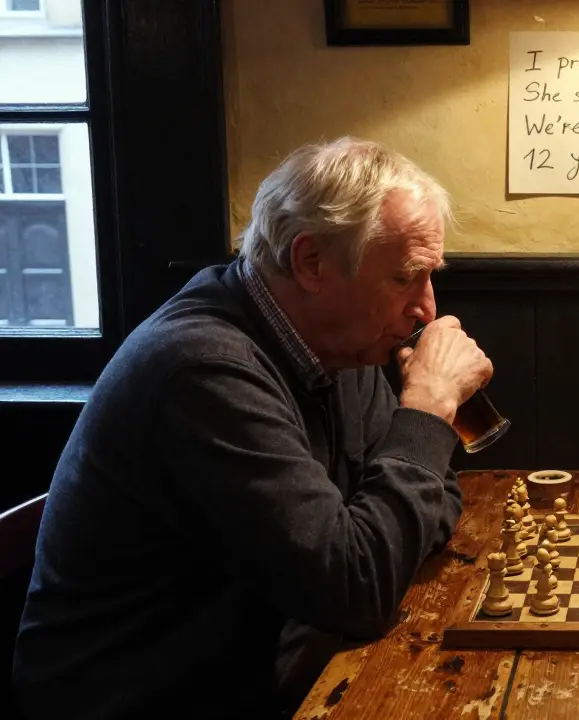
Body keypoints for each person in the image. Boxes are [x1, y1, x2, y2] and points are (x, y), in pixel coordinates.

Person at [12, 137, 492, 718]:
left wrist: (388, 516)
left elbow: (426, 500)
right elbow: (358, 585)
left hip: (269, 665)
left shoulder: (342, 345)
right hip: (149, 701)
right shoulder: (202, 370)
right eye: (406, 278)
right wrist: (429, 407)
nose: (426, 310)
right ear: (311, 261)